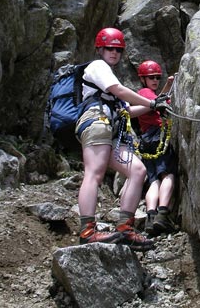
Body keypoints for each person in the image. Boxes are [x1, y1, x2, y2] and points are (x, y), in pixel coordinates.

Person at [75, 27, 170, 248]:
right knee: (94, 173)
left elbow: (126, 109)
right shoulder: (98, 67)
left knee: (138, 170)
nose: (114, 52)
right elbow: (118, 90)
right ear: (100, 49)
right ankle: (87, 230)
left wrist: (155, 107)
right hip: (96, 123)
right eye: (109, 48)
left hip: (109, 127)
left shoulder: (107, 74)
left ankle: (125, 228)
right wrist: (151, 103)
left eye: (118, 49)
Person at [136, 60, 178, 236]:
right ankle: (162, 214)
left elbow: (158, 100)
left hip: (146, 141)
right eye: (151, 77)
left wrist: (168, 84)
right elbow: (160, 102)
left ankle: (150, 217)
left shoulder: (143, 94)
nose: (155, 80)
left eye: (157, 77)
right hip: (157, 137)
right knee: (168, 174)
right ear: (143, 79)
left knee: (153, 180)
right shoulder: (145, 92)